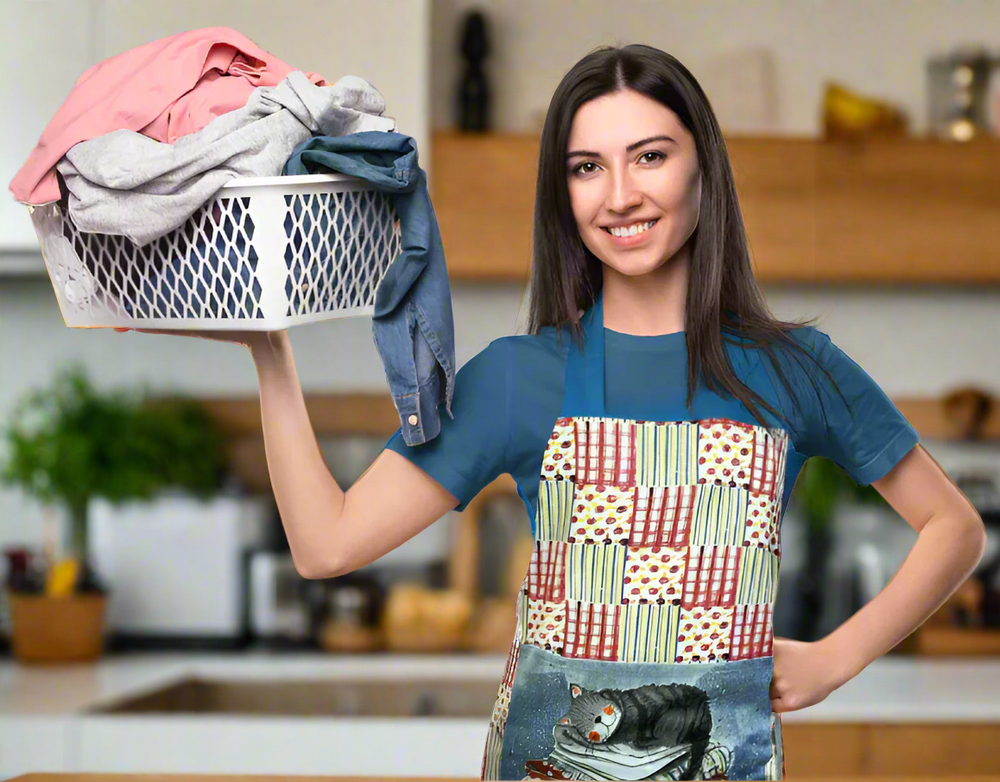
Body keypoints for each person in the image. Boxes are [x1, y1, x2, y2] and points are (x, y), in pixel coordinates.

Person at [120, 44, 986, 782]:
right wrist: (271, 356)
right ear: (564, 194)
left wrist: (837, 657)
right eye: (587, 166)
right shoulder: (517, 379)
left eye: (650, 156)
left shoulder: (795, 371)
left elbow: (953, 528)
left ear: (702, 170)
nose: (619, 195)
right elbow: (327, 543)